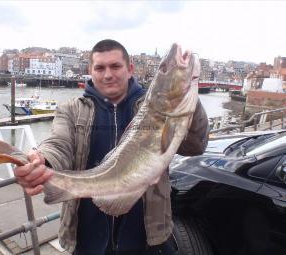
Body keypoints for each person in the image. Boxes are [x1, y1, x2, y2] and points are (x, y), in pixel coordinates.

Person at [13, 39, 209, 255]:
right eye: (100, 68)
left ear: (130, 68)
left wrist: (187, 95)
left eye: (115, 66)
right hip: (88, 239)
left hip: (150, 238)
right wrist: (42, 160)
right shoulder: (70, 110)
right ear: (91, 71)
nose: (108, 74)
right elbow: (59, 144)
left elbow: (196, 145)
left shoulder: (154, 108)